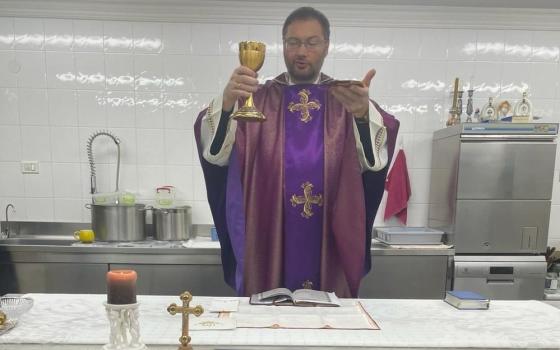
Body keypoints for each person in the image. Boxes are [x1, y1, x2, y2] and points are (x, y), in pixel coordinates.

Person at [195, 6, 399, 298]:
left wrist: (364, 115)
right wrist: (227, 102)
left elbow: (373, 165)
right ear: (283, 45)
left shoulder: (347, 99)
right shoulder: (257, 99)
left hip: (328, 236)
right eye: (293, 42)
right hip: (268, 235)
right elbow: (216, 156)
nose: (301, 51)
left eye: (312, 42)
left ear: (326, 46)